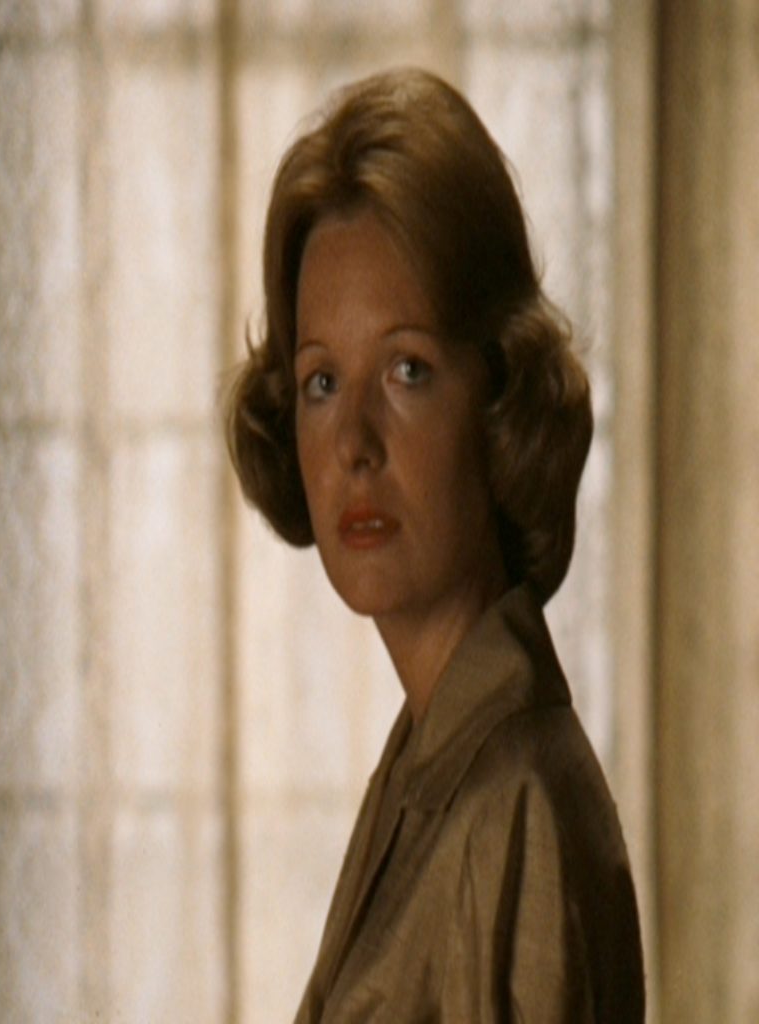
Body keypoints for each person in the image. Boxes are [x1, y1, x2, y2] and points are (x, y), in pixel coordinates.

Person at [225, 68, 644, 1021]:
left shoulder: (517, 805)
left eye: (407, 370)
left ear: (500, 397)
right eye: (322, 381)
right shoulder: (428, 763)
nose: (354, 444)